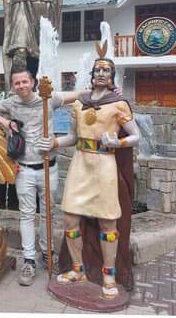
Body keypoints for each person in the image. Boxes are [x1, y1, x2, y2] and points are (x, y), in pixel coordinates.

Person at [44, 48, 140, 300]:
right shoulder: (79, 103)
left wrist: (117, 143)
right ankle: (78, 270)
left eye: (106, 70)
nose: (101, 73)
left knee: (108, 221)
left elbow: (136, 135)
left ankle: (109, 274)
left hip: (104, 164)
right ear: (92, 73)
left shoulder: (118, 104)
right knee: (70, 219)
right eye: (97, 69)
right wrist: (53, 143)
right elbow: (73, 137)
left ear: (112, 75)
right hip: (80, 163)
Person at [0, 67, 64, 286]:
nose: (21, 86)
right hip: (25, 170)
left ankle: (47, 253)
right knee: (26, 215)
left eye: (24, 82)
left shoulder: (49, 99)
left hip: (49, 168)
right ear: (12, 86)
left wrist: (106, 93)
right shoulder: (11, 103)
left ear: (33, 82)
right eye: (17, 83)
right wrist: (6, 123)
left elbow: (77, 96)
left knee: (47, 213)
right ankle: (29, 260)